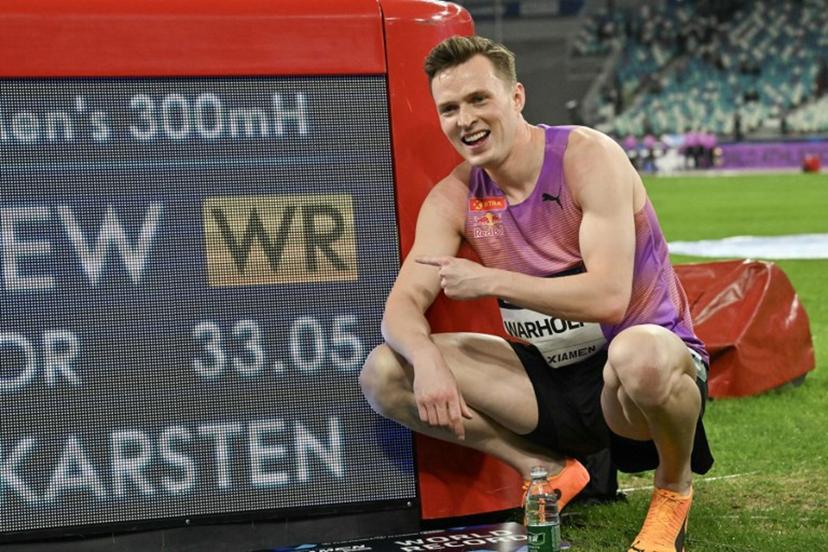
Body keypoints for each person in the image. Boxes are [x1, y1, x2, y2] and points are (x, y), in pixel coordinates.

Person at [359, 35, 713, 552]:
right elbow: (401, 307)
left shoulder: (586, 157)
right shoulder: (453, 197)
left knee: (639, 353)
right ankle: (544, 469)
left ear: (516, 97)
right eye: (450, 108)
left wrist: (493, 280)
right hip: (550, 385)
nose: (466, 119)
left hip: (632, 386)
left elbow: (610, 297)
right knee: (384, 372)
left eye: (480, 99)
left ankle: (672, 492)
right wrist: (427, 359)